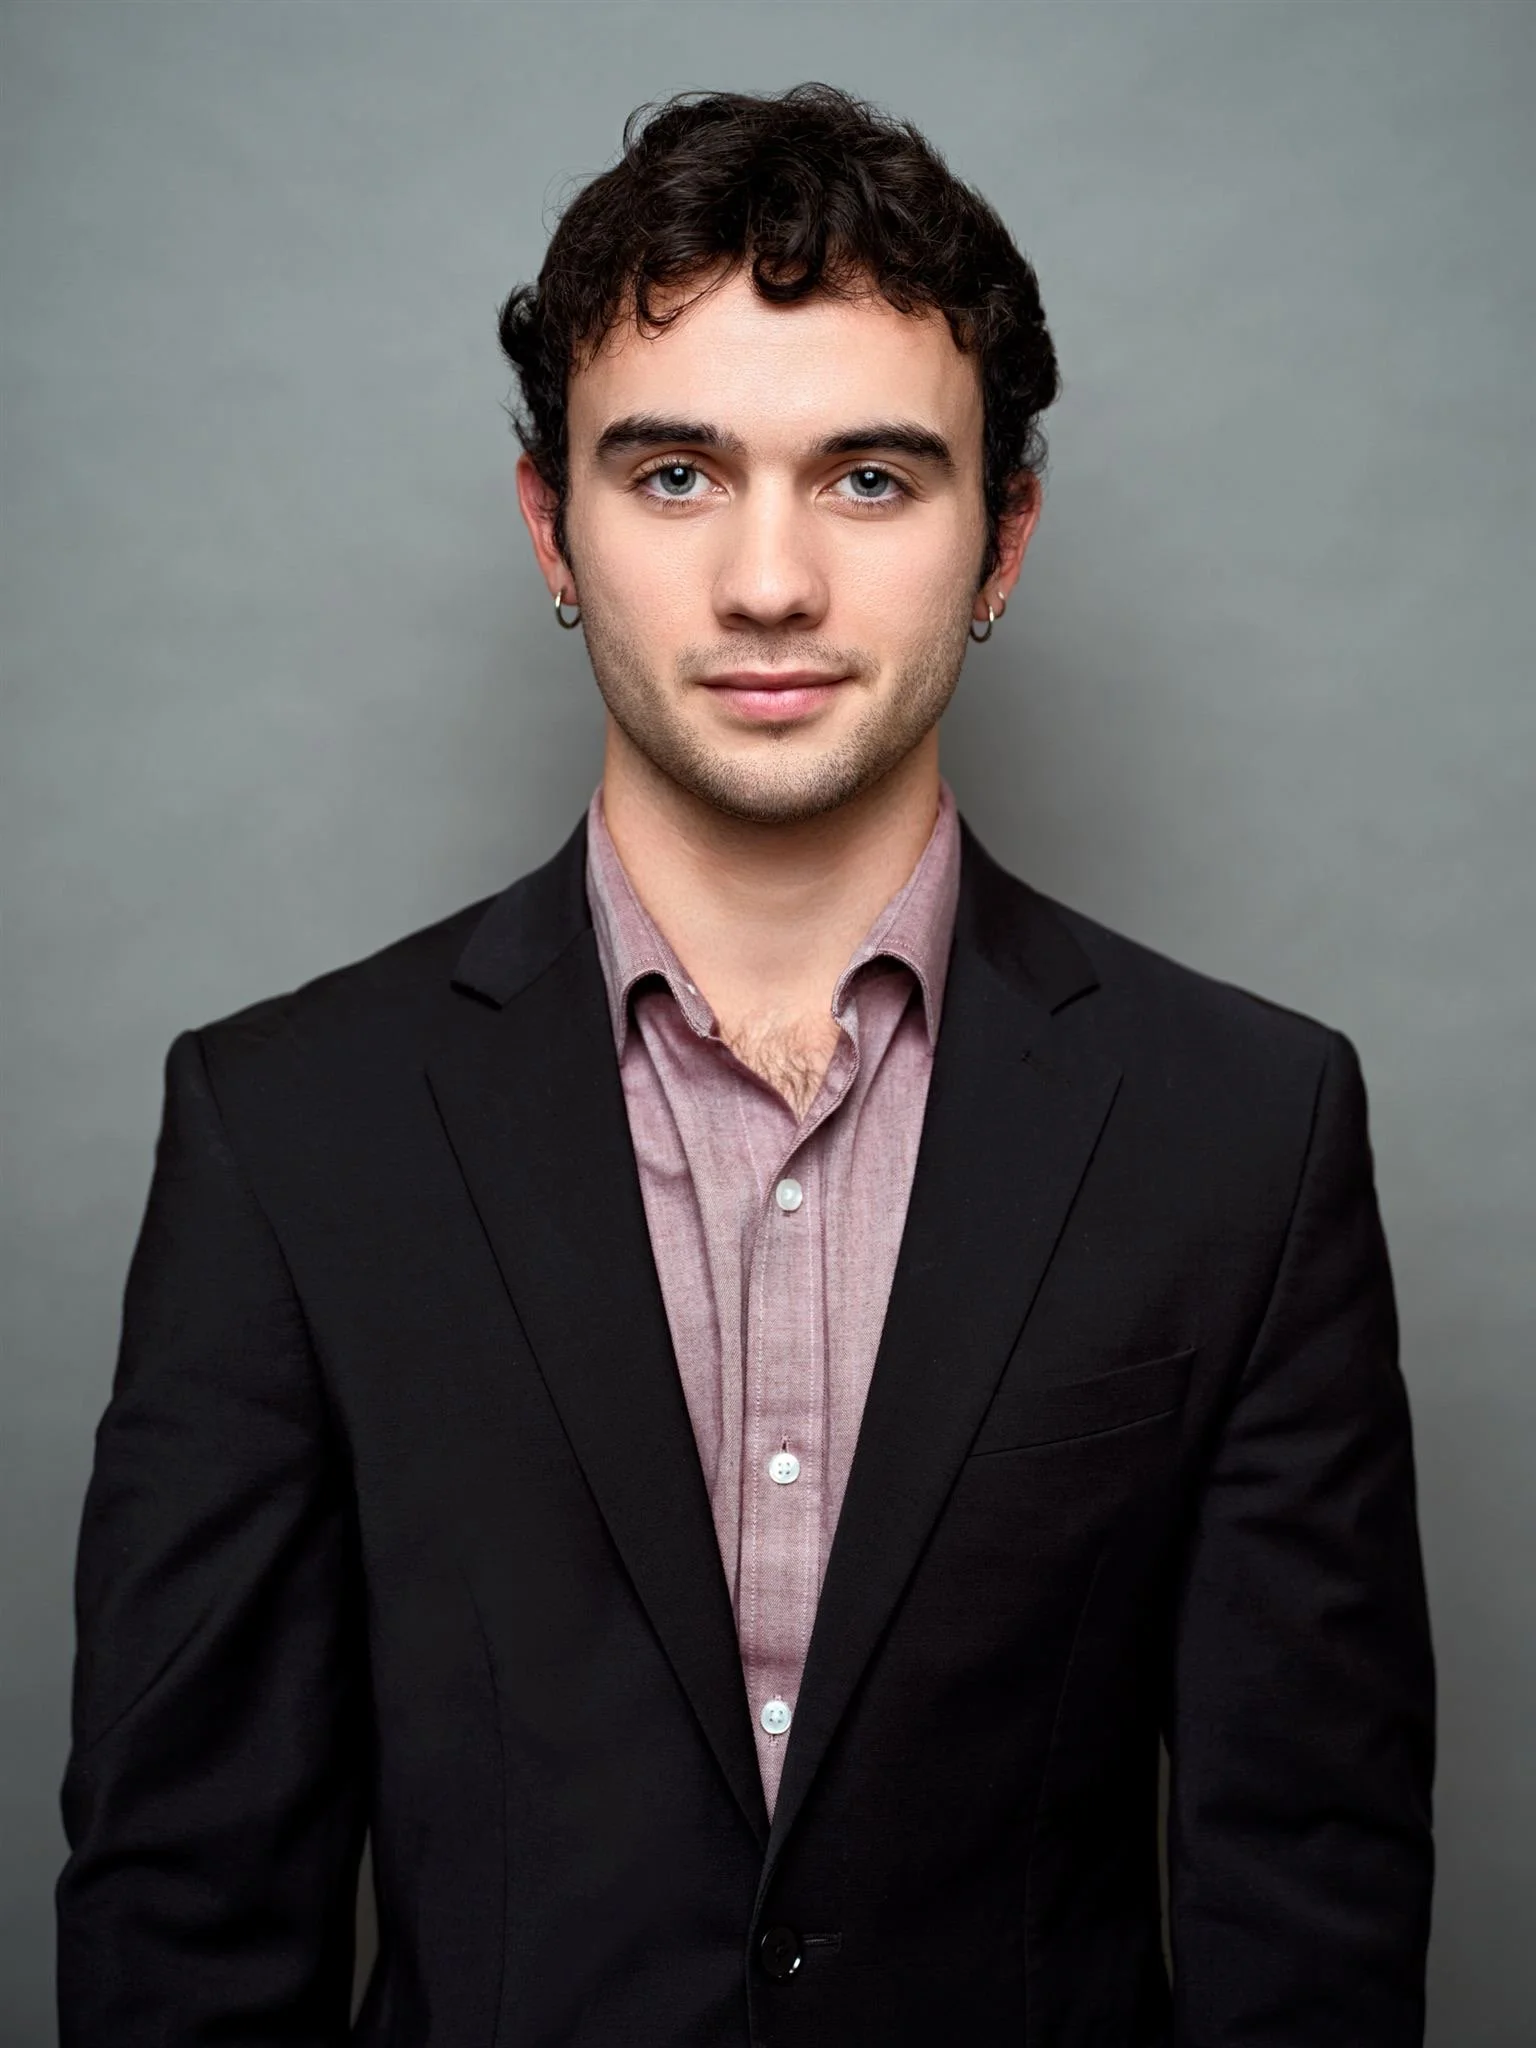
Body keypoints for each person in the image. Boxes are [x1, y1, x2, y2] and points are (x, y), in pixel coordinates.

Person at [56, 82, 1435, 2048]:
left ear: (1003, 538)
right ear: (553, 523)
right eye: (676, 474)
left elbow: (1312, 1916)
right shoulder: (290, 1135)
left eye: (870, 478)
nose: (770, 581)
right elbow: (186, 1929)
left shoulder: (1248, 1131)